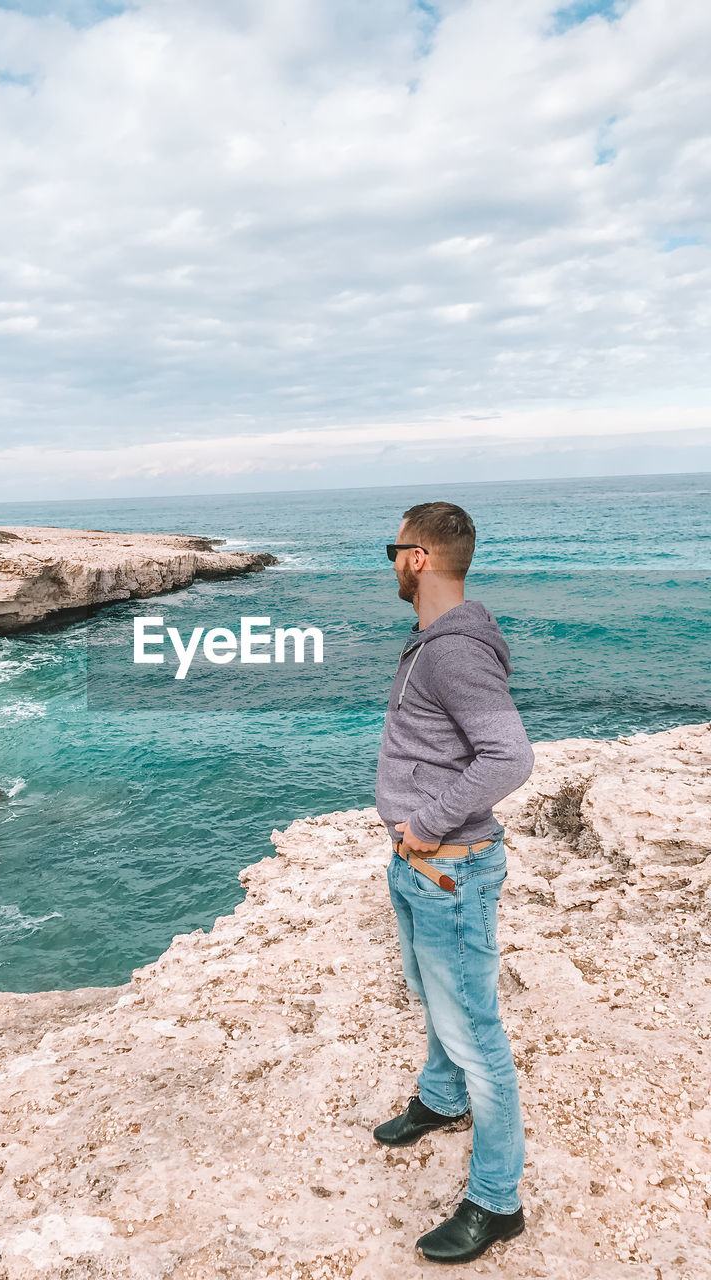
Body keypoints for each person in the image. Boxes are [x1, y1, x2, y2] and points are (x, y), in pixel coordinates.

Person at [373, 500, 535, 1265]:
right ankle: (441, 1101)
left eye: (393, 550)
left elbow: (508, 756)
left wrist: (430, 823)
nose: (390, 564)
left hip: (449, 868)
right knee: (433, 993)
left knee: (477, 1032)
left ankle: (496, 1202)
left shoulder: (452, 651)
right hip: (421, 864)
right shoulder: (431, 639)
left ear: (419, 559)